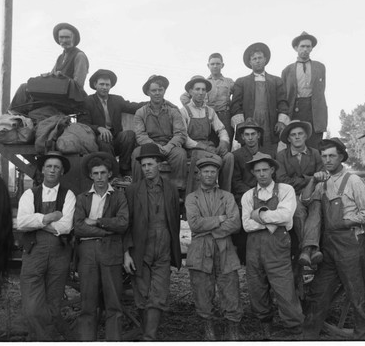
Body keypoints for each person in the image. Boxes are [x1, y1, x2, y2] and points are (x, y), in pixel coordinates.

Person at [301, 138, 365, 340]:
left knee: (357, 293)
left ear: (341, 156)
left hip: (350, 244)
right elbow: (306, 201)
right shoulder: (322, 182)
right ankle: (308, 336)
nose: (327, 160)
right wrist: (313, 181)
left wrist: (347, 221)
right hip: (328, 245)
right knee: (318, 292)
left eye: (332, 155)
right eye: (324, 156)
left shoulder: (353, 181)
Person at [241, 152, 304, 339]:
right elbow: (246, 225)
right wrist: (272, 219)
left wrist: (258, 215)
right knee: (257, 288)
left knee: (284, 289)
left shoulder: (285, 190)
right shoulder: (247, 196)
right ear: (253, 172)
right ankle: (265, 327)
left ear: (272, 170)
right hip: (254, 249)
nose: (262, 174)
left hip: (278, 248)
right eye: (258, 170)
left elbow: (286, 216)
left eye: (265, 170)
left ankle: (294, 330)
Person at [124, 143, 182, 341]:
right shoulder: (132, 191)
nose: (147, 169)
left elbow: (174, 221)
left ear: (159, 165)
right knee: (142, 294)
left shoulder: (171, 189)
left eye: (150, 164)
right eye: (143, 165)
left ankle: (149, 337)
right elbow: (127, 224)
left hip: (164, 246)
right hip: (141, 247)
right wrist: (127, 253)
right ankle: (146, 331)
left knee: (159, 293)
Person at [16, 151, 76, 341]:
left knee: (53, 305)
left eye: (56, 167)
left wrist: (38, 222)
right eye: (49, 166)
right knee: (32, 307)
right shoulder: (29, 194)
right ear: (42, 169)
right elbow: (22, 223)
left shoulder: (69, 195)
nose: (52, 170)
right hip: (34, 253)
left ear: (62, 172)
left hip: (59, 254)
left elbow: (66, 227)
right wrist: (47, 218)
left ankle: (41, 340)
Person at [185, 155, 242, 341]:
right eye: (205, 171)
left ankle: (232, 328)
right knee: (202, 289)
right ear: (199, 174)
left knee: (230, 288)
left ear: (217, 174)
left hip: (225, 248)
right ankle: (208, 328)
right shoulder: (191, 198)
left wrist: (209, 230)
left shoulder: (227, 196)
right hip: (200, 250)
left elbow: (235, 223)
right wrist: (218, 219)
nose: (209, 175)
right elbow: (194, 224)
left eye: (213, 171)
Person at [73, 152, 129, 341]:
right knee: (87, 305)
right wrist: (107, 231)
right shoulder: (82, 198)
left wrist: (97, 222)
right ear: (90, 175)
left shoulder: (119, 196)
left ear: (109, 174)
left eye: (103, 173)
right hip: (88, 254)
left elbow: (122, 223)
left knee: (114, 304)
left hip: (111, 253)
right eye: (95, 173)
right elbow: (79, 227)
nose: (99, 177)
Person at [78, 69, 145, 177]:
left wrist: (153, 102)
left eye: (107, 84)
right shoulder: (87, 101)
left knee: (129, 135)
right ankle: (113, 171)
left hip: (116, 138)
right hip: (98, 141)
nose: (104, 87)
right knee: (103, 139)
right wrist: (99, 128)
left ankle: (124, 169)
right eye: (101, 84)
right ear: (95, 84)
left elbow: (133, 107)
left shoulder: (117, 100)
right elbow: (83, 123)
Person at [276, 120, 324, 267]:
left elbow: (323, 175)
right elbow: (282, 180)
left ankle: (306, 250)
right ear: (289, 138)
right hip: (292, 194)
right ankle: (312, 249)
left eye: (300, 134)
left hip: (313, 193)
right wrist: (310, 179)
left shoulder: (315, 154)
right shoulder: (281, 156)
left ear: (306, 136)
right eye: (293, 135)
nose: (297, 137)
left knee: (316, 210)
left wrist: (313, 181)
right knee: (298, 211)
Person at [230, 42, 289, 154]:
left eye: (260, 58)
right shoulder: (242, 82)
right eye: (254, 58)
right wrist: (243, 125)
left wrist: (281, 121)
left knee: (269, 153)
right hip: (250, 121)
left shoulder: (276, 81)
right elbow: (236, 105)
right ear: (250, 62)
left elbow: (283, 103)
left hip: (270, 122)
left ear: (265, 59)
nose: (257, 61)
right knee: (249, 153)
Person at [180, 75, 234, 195]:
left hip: (208, 148)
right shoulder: (183, 111)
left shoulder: (209, 111)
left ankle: (224, 194)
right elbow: (184, 138)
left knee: (229, 157)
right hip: (193, 149)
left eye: (203, 90)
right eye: (197, 89)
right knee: (217, 159)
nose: (201, 93)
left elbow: (222, 129)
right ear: (190, 91)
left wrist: (224, 142)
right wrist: (203, 147)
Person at [131, 75, 188, 190]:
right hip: (150, 145)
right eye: (153, 90)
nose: (157, 93)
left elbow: (180, 134)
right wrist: (154, 146)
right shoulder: (140, 112)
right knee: (136, 153)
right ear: (148, 92)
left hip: (169, 145)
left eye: (160, 90)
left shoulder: (173, 111)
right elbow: (140, 135)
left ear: (164, 91)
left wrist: (169, 146)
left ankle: (177, 190)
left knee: (180, 154)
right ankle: (138, 188)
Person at [231, 118, 269, 264]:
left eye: (253, 134)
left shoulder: (267, 154)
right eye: (247, 135)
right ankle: (246, 260)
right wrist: (253, 193)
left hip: (267, 194)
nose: (250, 138)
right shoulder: (237, 155)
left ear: (259, 135)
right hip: (245, 196)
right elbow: (236, 182)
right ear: (242, 137)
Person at [281, 31, 327, 149]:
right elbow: (284, 96)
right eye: (302, 46)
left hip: (314, 110)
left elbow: (321, 91)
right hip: (296, 109)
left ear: (312, 48)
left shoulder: (320, 67)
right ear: (296, 48)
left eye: (308, 46)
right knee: (296, 142)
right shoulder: (287, 70)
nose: (305, 49)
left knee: (315, 145)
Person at [180, 53, 235, 144]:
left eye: (218, 64)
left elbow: (237, 97)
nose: (215, 66)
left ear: (222, 65)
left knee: (225, 140)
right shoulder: (204, 83)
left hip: (224, 116)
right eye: (212, 64)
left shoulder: (229, 82)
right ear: (208, 65)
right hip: (208, 117)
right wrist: (194, 110)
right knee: (211, 141)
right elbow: (184, 97)